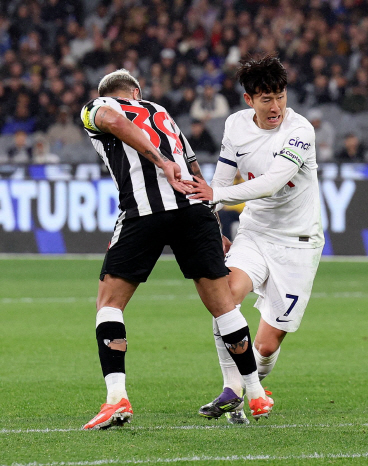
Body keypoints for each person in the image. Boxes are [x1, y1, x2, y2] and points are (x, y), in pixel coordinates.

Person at [79, 69, 272, 430]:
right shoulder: (160, 111)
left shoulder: (98, 105)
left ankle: (116, 398)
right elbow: (193, 166)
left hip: (144, 212)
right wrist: (214, 223)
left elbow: (111, 120)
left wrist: (159, 160)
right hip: (193, 210)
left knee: (109, 303)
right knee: (223, 306)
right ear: (137, 91)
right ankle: (257, 391)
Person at [184, 55, 324, 425]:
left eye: (280, 96)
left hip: (298, 244)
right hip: (255, 232)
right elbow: (223, 181)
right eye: (266, 99)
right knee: (225, 297)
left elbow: (272, 182)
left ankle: (249, 387)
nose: (275, 106)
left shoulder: (300, 130)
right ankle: (232, 389)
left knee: (265, 347)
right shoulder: (235, 126)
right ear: (249, 101)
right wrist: (214, 226)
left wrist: (215, 194)